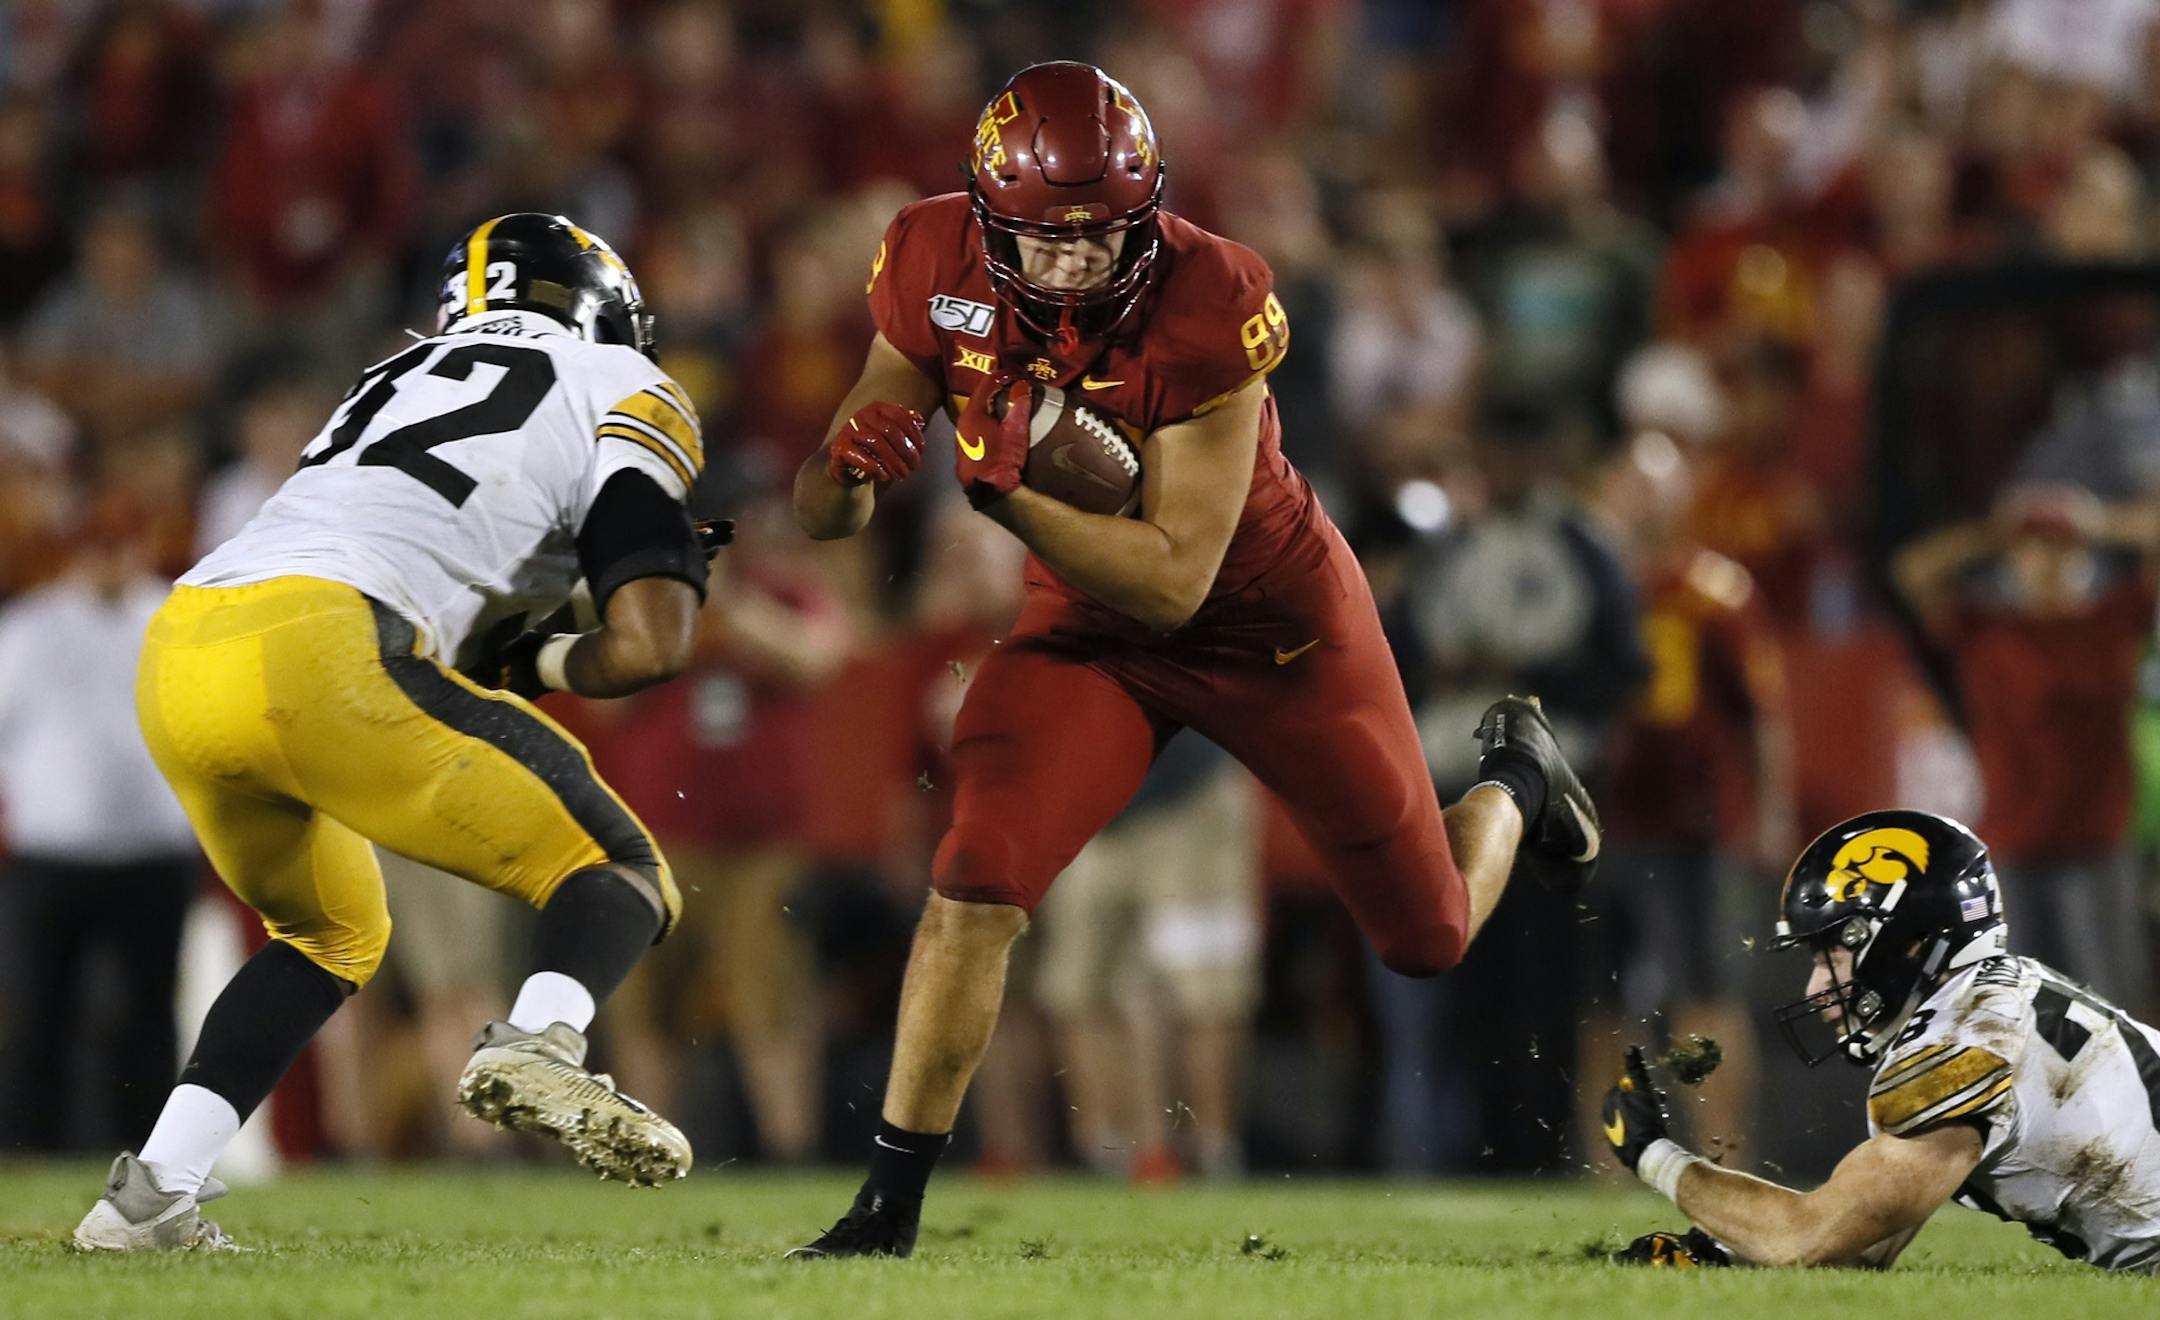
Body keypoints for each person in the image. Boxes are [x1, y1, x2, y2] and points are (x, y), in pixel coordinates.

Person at [786, 61, 1603, 1258]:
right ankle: (885, 1212)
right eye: (1042, 241)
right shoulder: (926, 257)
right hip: (1085, 630)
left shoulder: (1214, 291)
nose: (1072, 266)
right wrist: (845, 467)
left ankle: (1516, 779)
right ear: (983, 213)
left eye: (1100, 237)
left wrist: (1005, 495)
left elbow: (1176, 580)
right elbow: (827, 515)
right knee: (973, 883)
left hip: (1271, 624)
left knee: (1427, 936)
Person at [73, 213, 720, 1252]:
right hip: (325, 647)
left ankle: (147, 1199)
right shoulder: (621, 385)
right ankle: (545, 1041)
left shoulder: (397, 374)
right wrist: (553, 653)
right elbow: (652, 643)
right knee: (618, 865)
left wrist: (510, 631)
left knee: (330, 933)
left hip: (186, 648)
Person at [1600, 809, 2160, 1273]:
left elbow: (1807, 1238)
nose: (1816, 984)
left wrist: (1655, 1156)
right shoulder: (1985, 1004)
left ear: (1905, 942)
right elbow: (1859, 1242)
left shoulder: (1960, 1050)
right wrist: (1722, 1251)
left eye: (1831, 955)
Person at [0, 497, 198, 1153]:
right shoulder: (29, 629)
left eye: (123, 544)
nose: (111, 561)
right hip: (54, 853)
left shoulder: (176, 621)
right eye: (98, 546)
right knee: (37, 1011)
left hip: (155, 852)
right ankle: (30, 1147)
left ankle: (149, 1151)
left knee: (150, 1014)